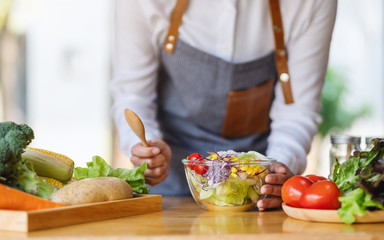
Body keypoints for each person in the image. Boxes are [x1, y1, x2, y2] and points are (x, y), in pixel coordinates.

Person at [110, 0, 337, 211]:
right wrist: (148, 149)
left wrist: (279, 165)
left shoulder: (310, 4)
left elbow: (297, 110)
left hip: (256, 196)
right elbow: (132, 94)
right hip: (168, 190)